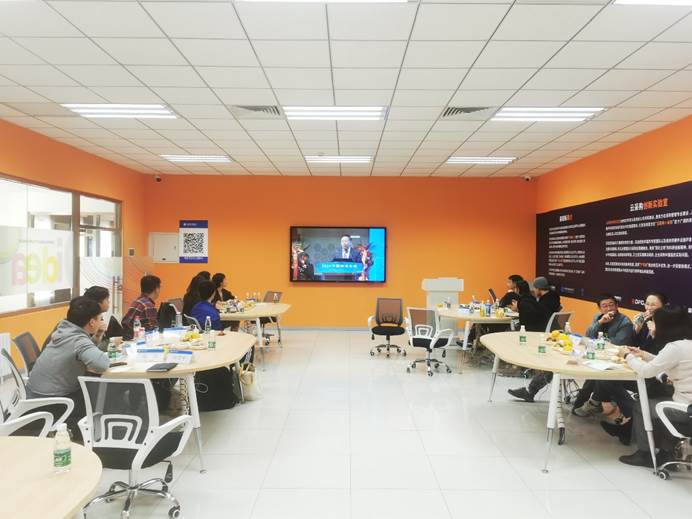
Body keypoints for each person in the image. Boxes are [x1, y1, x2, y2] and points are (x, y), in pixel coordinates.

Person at [575, 292, 669, 437]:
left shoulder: (665, 327)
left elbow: (663, 354)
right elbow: (589, 335)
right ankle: (597, 404)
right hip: (641, 367)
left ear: (663, 307)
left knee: (607, 379)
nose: (649, 308)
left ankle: (630, 419)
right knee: (604, 374)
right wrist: (637, 329)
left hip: (655, 377)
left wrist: (655, 334)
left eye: (653, 305)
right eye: (647, 304)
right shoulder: (645, 322)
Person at [617, 304, 692, 468]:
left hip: (686, 408)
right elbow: (667, 362)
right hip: (687, 403)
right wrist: (643, 354)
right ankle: (667, 453)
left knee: (642, 406)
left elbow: (645, 372)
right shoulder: (685, 344)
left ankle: (645, 454)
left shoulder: (675, 347)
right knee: (657, 401)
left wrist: (628, 356)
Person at [27, 297, 110, 439]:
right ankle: (97, 437)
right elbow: (102, 364)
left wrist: (97, 334)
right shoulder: (78, 340)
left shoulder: (63, 330)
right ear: (92, 322)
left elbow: (84, 349)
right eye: (100, 319)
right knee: (101, 397)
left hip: (34, 395)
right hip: (52, 402)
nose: (101, 322)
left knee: (92, 389)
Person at [507, 278, 562, 402]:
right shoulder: (551, 298)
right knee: (549, 369)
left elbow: (534, 318)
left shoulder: (545, 301)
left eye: (535, 289)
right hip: (553, 332)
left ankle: (525, 382)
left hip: (545, 334)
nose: (534, 291)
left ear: (538, 288)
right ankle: (529, 389)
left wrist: (519, 308)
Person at [121, 275, 161, 340]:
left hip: (129, 338)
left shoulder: (136, 301)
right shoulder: (148, 305)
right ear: (156, 289)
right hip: (139, 340)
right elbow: (153, 331)